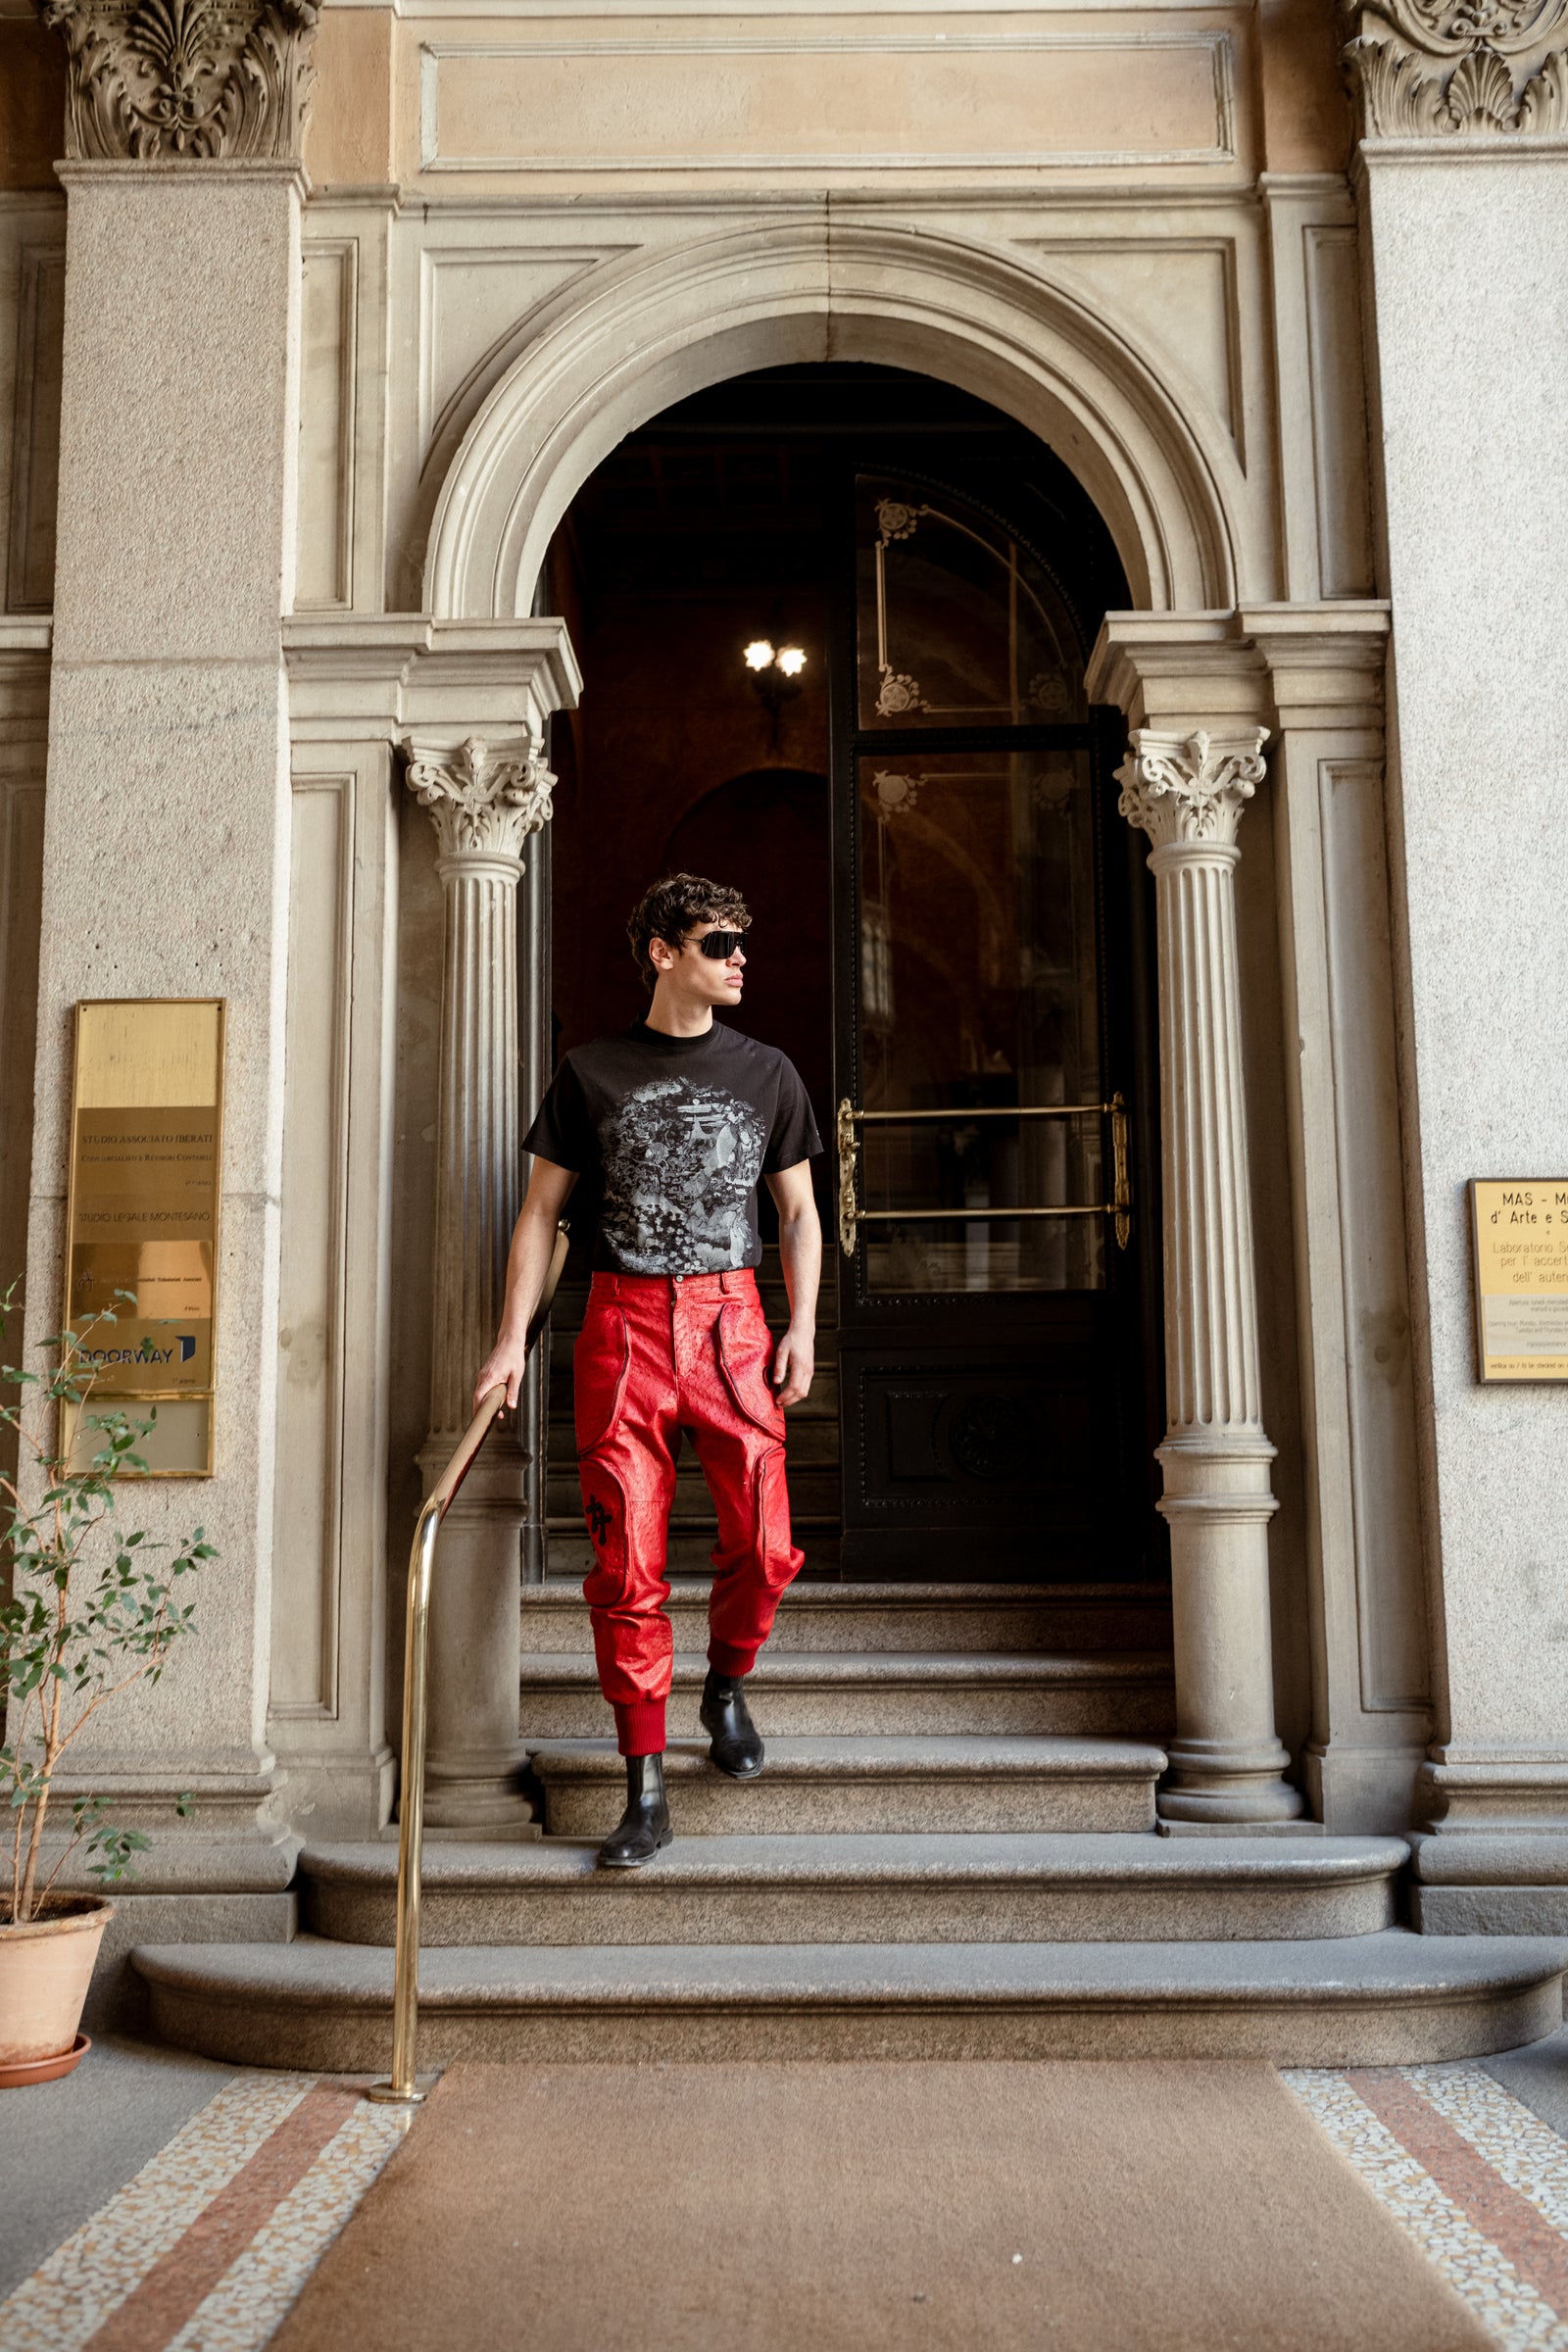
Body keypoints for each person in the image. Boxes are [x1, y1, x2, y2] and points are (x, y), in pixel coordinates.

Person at [473, 873, 823, 1868]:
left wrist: (801, 1328)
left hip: (734, 1327)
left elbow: (797, 1215)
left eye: (742, 943)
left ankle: (724, 1680)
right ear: (664, 951)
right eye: (720, 943)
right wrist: (509, 1343)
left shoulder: (769, 1074)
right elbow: (540, 1215)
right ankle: (646, 1784)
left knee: (765, 1544)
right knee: (627, 1567)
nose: (740, 959)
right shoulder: (591, 1072)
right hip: (622, 1326)